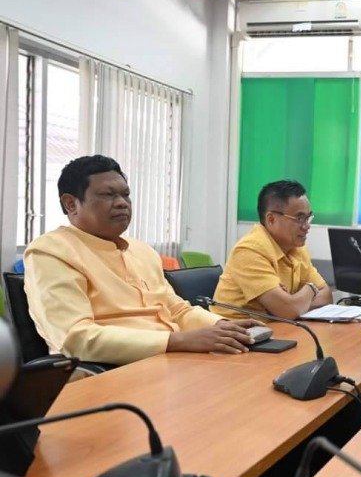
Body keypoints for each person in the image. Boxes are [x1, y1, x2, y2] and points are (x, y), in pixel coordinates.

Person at [24, 155, 263, 366]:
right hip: (109, 373)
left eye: (125, 194)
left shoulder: (141, 250)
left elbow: (177, 309)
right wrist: (176, 341)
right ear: (70, 204)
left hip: (172, 361)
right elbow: (75, 338)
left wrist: (221, 326)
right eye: (107, 195)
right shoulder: (50, 252)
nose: (122, 202)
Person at [212, 180, 332, 320]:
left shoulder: (297, 248)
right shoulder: (249, 251)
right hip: (235, 333)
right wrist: (311, 288)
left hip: (276, 328)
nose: (306, 226)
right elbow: (289, 311)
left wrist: (293, 305)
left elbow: (327, 296)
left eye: (308, 218)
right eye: (299, 218)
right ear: (271, 219)